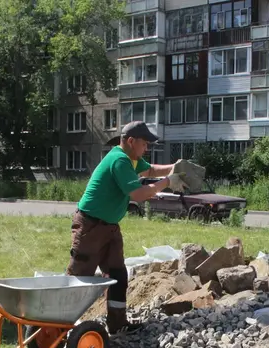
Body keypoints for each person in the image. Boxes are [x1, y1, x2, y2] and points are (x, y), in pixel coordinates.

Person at [67, 121, 188, 334]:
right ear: (131, 141)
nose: (147, 148)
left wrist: (175, 168)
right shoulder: (119, 160)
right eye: (144, 144)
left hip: (109, 227)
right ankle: (58, 325)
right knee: (79, 277)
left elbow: (150, 170)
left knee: (117, 275)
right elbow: (138, 194)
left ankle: (117, 323)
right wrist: (168, 181)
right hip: (90, 227)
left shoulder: (131, 159)